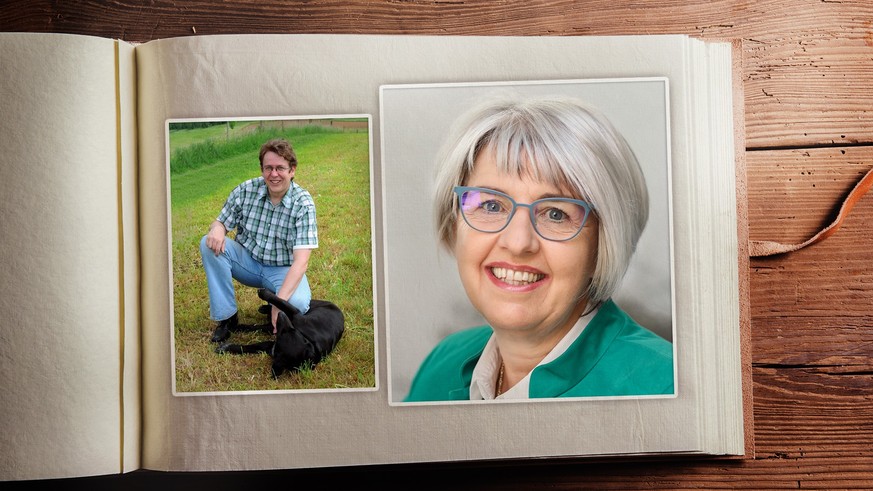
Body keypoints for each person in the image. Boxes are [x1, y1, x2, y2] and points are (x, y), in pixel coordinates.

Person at [404, 96, 674, 402]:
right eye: (491, 205)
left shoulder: (663, 387)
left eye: (556, 213)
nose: (518, 243)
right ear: (453, 222)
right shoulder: (441, 366)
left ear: (604, 241)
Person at [200, 137, 318, 343]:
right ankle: (227, 318)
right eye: (268, 168)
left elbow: (301, 261)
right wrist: (218, 228)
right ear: (262, 169)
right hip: (248, 262)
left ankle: (274, 300)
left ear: (292, 170)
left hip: (282, 269)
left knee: (297, 305)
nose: (274, 174)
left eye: (280, 168)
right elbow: (220, 222)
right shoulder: (246, 190)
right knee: (208, 243)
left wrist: (280, 302)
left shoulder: (304, 204)